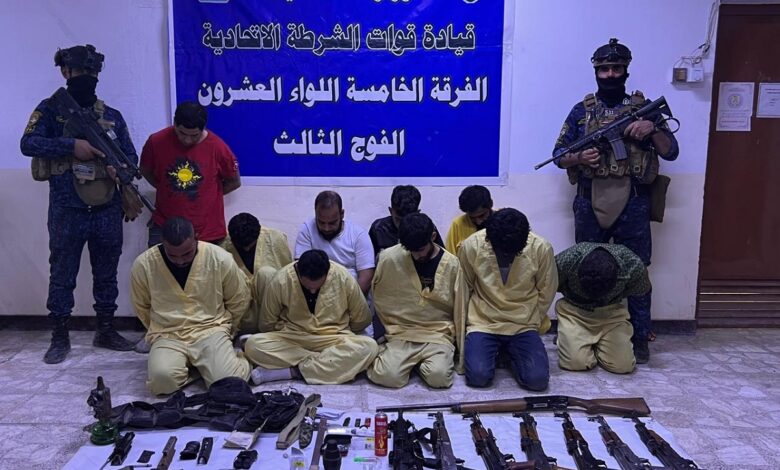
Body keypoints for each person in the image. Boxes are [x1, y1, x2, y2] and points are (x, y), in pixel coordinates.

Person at [552, 38, 679, 363]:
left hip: (633, 202)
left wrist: (651, 128)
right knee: (584, 265)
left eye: (616, 68)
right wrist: (580, 157)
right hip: (590, 199)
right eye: (604, 69)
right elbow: (558, 155)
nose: (610, 74)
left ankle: (640, 337)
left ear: (626, 70)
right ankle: (582, 331)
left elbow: (671, 151)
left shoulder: (644, 108)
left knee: (637, 270)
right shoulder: (582, 111)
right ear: (596, 71)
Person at [20, 44, 139, 364]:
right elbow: (28, 143)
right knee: (62, 275)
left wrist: (120, 168)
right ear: (65, 72)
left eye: (92, 72)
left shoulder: (111, 116)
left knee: (107, 274)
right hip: (67, 209)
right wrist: (71, 145)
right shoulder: (50, 110)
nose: (87, 77)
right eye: (80, 71)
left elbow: (131, 158)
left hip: (106, 209)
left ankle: (106, 330)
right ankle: (59, 336)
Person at [129, 217, 251, 395]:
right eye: (173, 255)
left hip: (210, 329)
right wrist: (156, 329)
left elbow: (238, 299)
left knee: (228, 383)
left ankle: (236, 360)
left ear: (196, 238)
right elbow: (141, 306)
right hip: (167, 333)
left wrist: (229, 330)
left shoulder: (220, 258)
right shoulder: (143, 265)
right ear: (163, 243)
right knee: (162, 383)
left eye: (186, 254)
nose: (180, 261)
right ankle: (200, 369)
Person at [244, 250, 378, 385]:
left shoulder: (343, 277)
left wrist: (341, 334)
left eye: (318, 287)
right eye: (307, 287)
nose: (313, 291)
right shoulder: (281, 279)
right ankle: (329, 362)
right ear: (298, 272)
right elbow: (266, 323)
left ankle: (292, 372)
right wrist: (334, 355)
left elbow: (362, 319)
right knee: (252, 346)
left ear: (327, 273)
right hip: (293, 338)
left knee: (369, 347)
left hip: (333, 338)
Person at [458, 208, 557, 391]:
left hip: (523, 325)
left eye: (513, 253)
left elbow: (547, 290)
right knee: (478, 377)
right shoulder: (471, 246)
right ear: (488, 240)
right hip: (483, 322)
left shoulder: (541, 248)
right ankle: (501, 352)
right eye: (502, 252)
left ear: (525, 241)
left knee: (537, 380)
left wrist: (532, 319)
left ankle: (509, 355)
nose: (507, 257)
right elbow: (464, 288)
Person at [367, 213, 466, 389]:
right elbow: (379, 298)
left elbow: (460, 309)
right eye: (410, 250)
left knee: (439, 378)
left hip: (438, 334)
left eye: (420, 249)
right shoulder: (389, 258)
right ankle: (407, 363)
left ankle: (417, 365)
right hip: (400, 332)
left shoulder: (452, 264)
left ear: (433, 237)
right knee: (388, 377)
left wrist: (461, 351)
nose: (416, 255)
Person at [140, 101, 241, 246]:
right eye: (182, 133)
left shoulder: (218, 147)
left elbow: (234, 181)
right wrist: (163, 187)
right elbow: (145, 170)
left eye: (194, 135)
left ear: (203, 128)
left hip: (206, 231)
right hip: (164, 225)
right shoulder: (156, 142)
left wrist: (209, 193)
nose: (187, 140)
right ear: (174, 123)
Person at [555, 242, 651, 374]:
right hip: (575, 312)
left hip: (611, 314)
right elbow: (547, 286)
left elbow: (642, 294)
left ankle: (589, 344)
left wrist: (641, 335)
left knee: (624, 366)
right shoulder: (567, 259)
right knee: (576, 363)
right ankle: (571, 337)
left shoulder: (633, 265)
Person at [222, 212, 292, 333]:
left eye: (250, 245)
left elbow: (288, 277)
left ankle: (270, 331)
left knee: (267, 273)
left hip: (272, 312)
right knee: (235, 274)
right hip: (242, 315)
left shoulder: (276, 238)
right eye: (242, 246)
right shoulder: (223, 247)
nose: (246, 249)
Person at [294, 191, 374, 295]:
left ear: (342, 214)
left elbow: (366, 278)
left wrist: (349, 301)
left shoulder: (358, 235)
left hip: (350, 295)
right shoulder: (307, 230)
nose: (326, 228)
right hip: (315, 295)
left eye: (332, 223)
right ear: (315, 214)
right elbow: (300, 269)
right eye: (321, 222)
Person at [368, 185, 443, 257]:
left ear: (417, 213)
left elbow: (441, 256)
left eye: (408, 220)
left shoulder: (426, 228)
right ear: (390, 211)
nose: (403, 226)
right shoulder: (378, 229)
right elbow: (369, 261)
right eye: (398, 220)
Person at [444, 185, 495, 255]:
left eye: (482, 215)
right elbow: (450, 257)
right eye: (472, 218)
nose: (478, 222)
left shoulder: (503, 221)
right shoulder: (458, 224)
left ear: (491, 204)